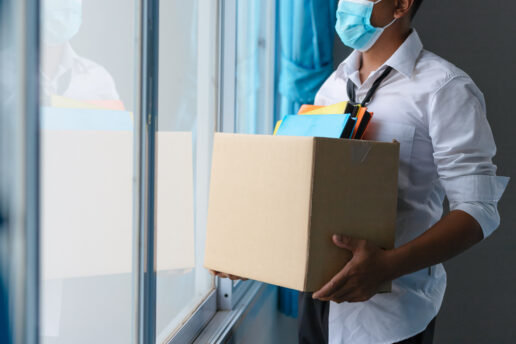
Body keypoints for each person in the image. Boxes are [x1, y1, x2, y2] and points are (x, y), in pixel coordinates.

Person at [213, 0, 510, 343]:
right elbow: (306, 190)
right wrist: (253, 252)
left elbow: (478, 209)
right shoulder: (331, 88)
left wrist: (388, 266)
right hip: (316, 304)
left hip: (390, 317)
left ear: (400, 4)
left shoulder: (445, 88)